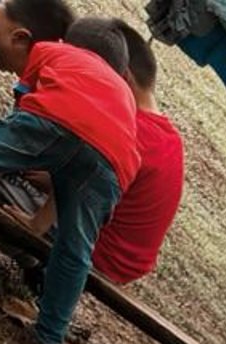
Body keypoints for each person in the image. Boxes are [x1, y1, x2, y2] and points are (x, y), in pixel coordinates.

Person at [0, 2, 136, 344]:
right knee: (75, 249)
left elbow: (9, 137)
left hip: (55, 119)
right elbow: (76, 164)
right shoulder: (121, 92)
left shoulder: (55, 53)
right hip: (114, 162)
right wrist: (36, 224)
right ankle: (48, 340)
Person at [88, 18, 180, 285]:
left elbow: (79, 189)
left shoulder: (129, 129)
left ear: (123, 77)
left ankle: (39, 268)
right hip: (126, 261)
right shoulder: (167, 135)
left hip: (99, 254)